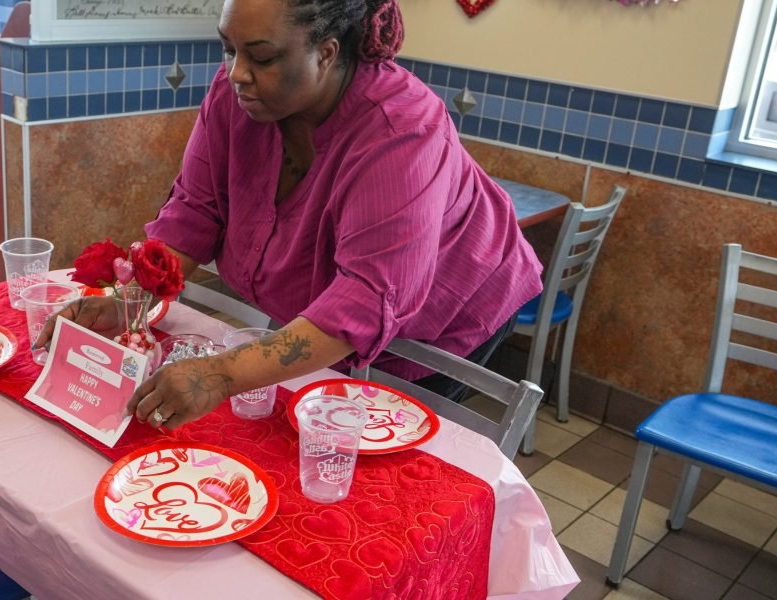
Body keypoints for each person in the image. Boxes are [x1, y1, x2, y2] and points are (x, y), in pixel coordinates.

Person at [38, 0, 542, 430]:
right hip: (340, 311)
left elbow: (366, 299)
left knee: (379, 449)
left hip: (448, 309)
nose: (236, 73)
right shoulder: (238, 95)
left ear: (327, 53)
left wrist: (219, 374)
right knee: (312, 423)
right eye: (228, 49)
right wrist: (130, 302)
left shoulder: (400, 130)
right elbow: (196, 210)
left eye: (260, 56)